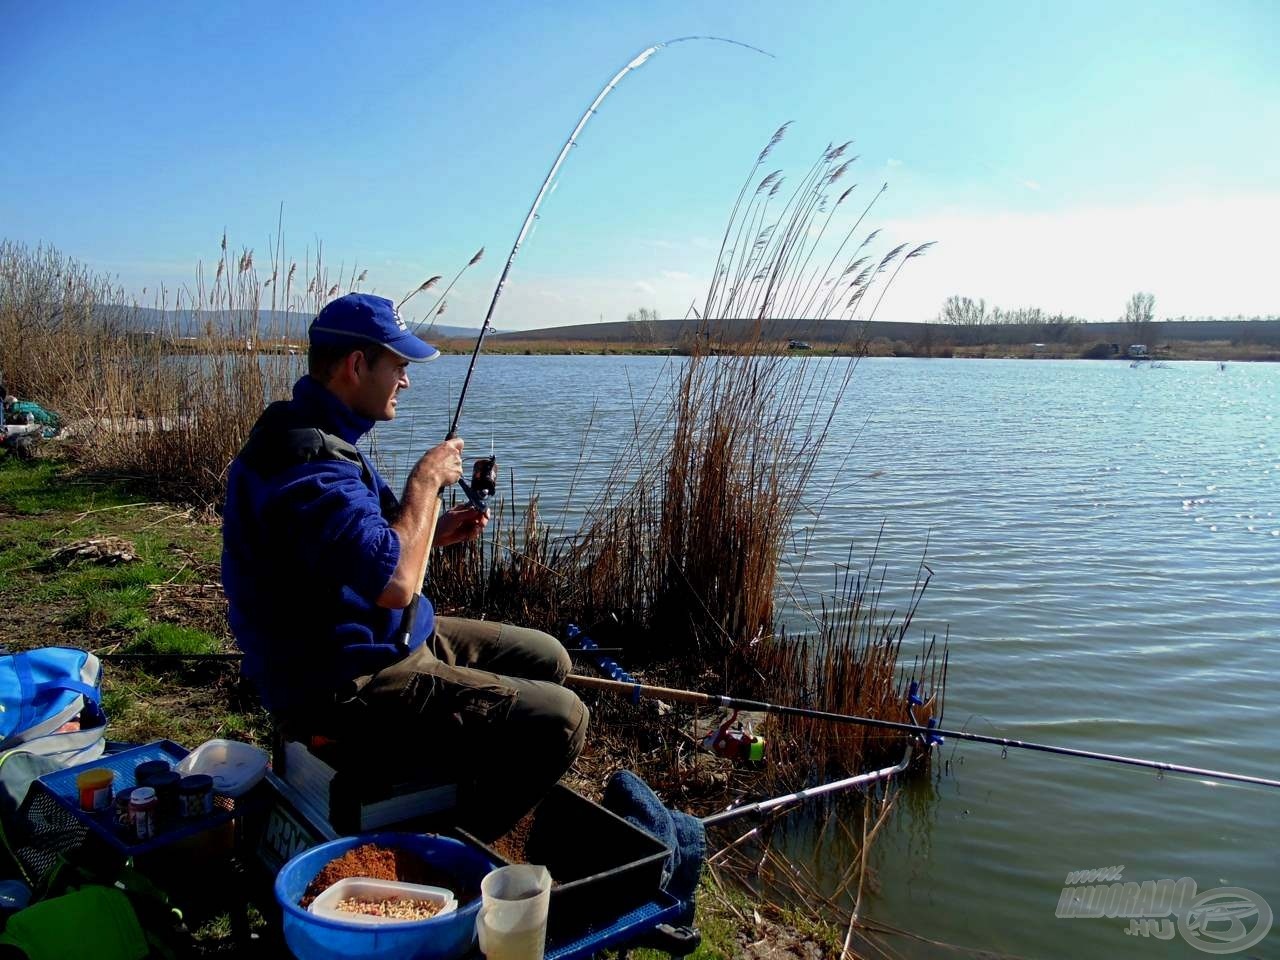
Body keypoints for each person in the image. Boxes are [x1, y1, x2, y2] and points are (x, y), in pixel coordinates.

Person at [221, 293, 587, 837]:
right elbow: (394, 584)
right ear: (356, 365)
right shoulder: (308, 467)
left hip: (377, 637)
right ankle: (450, 847)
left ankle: (445, 783)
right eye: (398, 366)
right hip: (344, 681)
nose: (406, 381)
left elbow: (351, 550)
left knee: (548, 657)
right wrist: (425, 483)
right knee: (564, 719)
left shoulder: (314, 436)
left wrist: (432, 533)